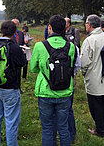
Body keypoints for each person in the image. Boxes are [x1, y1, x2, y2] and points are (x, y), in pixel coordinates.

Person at [30, 15, 77, 146]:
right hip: (65, 91)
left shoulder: (40, 46)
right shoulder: (71, 47)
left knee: (47, 129)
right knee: (63, 128)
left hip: (45, 92)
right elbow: (71, 67)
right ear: (65, 28)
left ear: (49, 28)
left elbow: (33, 68)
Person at [0, 20, 26, 146]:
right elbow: (22, 63)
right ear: (14, 31)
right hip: (10, 88)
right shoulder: (14, 47)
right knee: (11, 121)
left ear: (1, 30)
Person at [81, 14, 104, 137]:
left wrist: (83, 73)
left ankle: (100, 130)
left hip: (95, 80)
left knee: (95, 107)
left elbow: (84, 62)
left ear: (89, 25)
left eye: (86, 23)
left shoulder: (89, 40)